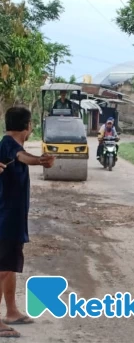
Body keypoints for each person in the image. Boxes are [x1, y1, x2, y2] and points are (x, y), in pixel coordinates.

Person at [0, 107, 54, 338]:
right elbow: (24, 158)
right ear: (28, 126)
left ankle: (11, 311)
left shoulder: (11, 145)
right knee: (2, 269)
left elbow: (22, 157)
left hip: (12, 220)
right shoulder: (8, 144)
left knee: (9, 267)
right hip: (4, 219)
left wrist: (39, 160)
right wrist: (40, 160)